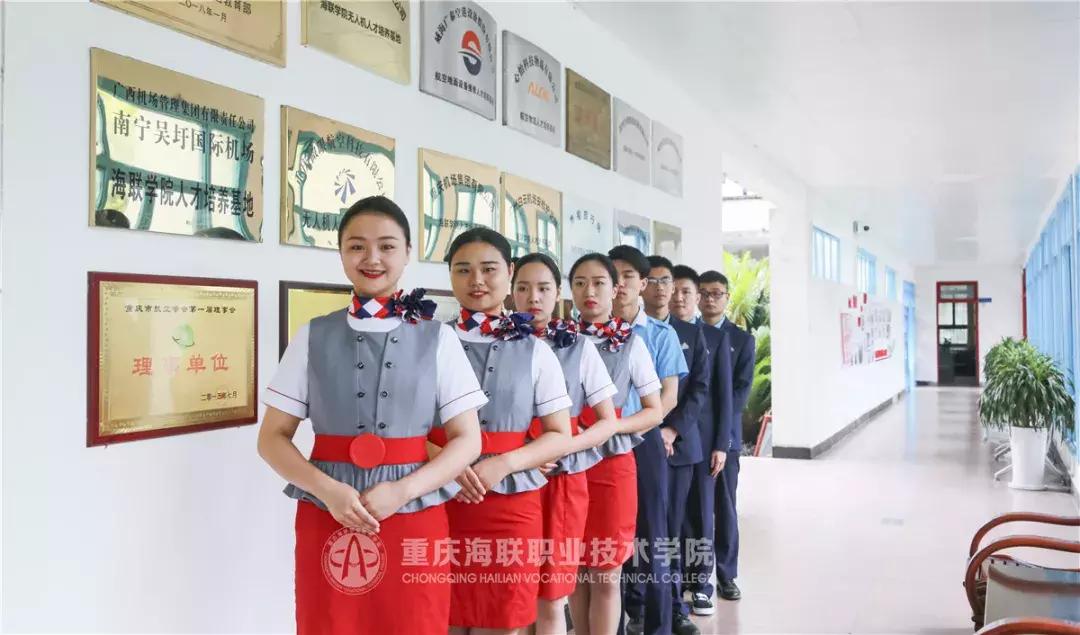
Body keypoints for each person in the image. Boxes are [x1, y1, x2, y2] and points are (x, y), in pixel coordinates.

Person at [257, 195, 487, 634]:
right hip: (328, 511)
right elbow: (271, 438)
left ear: (408, 252)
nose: (372, 258)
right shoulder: (313, 335)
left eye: (387, 246)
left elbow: (468, 440)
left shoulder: (438, 339)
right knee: (330, 624)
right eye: (357, 246)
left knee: (415, 622)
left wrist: (403, 490)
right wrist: (327, 490)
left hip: (414, 511)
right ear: (341, 252)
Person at [434, 228, 574, 635]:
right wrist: (444, 462)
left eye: (489, 269)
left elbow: (559, 434)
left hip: (510, 507)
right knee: (440, 618)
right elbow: (403, 423)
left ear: (509, 272)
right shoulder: (428, 341)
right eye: (463, 270)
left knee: (503, 620)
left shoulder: (536, 350)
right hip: (438, 497)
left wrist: (504, 464)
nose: (476, 280)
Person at [511, 253, 620, 635]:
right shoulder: (496, 345)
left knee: (552, 595)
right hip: (509, 480)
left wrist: (560, 447)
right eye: (523, 288)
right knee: (515, 591)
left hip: (562, 481)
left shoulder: (579, 347)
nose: (533, 298)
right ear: (511, 291)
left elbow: (608, 422)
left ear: (558, 293)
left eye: (543, 288)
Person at [567, 253, 664, 635]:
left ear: (615, 289)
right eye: (579, 283)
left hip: (612, 468)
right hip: (565, 466)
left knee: (606, 572)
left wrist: (610, 427)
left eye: (598, 283)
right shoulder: (556, 340)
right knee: (574, 570)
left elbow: (654, 411)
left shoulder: (630, 344)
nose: (588, 291)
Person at [607, 245, 688, 635]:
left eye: (628, 276)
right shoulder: (582, 332)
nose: (619, 284)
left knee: (654, 535)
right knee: (606, 542)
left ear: (642, 283)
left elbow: (668, 397)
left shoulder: (660, 334)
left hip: (642, 443)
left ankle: (659, 625)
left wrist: (629, 428)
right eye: (613, 276)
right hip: (596, 447)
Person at [633, 256, 711, 635]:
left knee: (670, 532)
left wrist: (670, 430)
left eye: (668, 281)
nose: (663, 288)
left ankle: (675, 605)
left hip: (677, 447)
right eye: (655, 281)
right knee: (635, 531)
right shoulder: (622, 332)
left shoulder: (688, 333)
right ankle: (636, 605)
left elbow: (697, 390)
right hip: (632, 442)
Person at [670, 266, 736, 617]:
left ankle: (701, 585)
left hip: (703, 442)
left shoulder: (713, 338)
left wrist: (722, 444)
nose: (678, 297)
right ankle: (673, 583)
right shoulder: (657, 333)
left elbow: (724, 397)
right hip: (667, 442)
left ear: (696, 296)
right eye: (673, 290)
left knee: (700, 516)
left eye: (686, 291)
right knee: (672, 519)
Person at [696, 269, 755, 603]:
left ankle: (726, 574)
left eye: (716, 293)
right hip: (692, 436)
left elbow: (740, 393)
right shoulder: (688, 333)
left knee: (724, 506)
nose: (710, 299)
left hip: (725, 438)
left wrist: (720, 435)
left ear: (727, 297)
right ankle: (696, 577)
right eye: (704, 293)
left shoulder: (742, 340)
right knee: (696, 509)